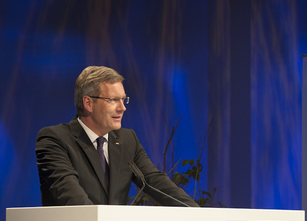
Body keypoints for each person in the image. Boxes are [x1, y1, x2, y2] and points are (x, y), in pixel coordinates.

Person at [36, 66, 199, 207]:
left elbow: (155, 181)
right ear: (88, 103)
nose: (122, 108)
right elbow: (71, 196)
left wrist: (200, 214)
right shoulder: (54, 139)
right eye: (113, 100)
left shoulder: (128, 139)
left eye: (123, 100)